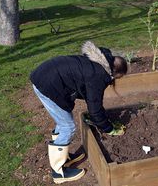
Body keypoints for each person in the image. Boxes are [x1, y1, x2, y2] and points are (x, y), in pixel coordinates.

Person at [30, 41, 128, 184]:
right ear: (114, 73)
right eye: (116, 78)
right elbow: (95, 108)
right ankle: (59, 172)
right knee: (68, 127)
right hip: (48, 85)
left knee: (63, 121)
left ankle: (63, 156)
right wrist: (109, 128)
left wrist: (95, 112)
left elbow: (84, 88)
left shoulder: (98, 60)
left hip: (45, 75)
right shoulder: (98, 76)